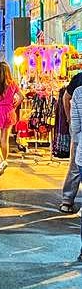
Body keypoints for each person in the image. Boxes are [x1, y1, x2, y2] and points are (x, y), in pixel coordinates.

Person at [60, 70, 82, 213]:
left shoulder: (79, 88)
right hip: (78, 133)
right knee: (75, 166)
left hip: (78, 132)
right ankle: (67, 200)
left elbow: (66, 98)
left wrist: (71, 120)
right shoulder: (79, 79)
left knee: (75, 166)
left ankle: (67, 201)